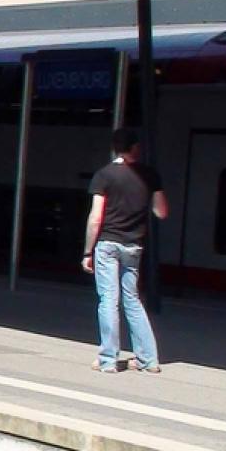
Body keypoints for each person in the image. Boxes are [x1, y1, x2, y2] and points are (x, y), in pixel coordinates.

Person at [83, 127, 167, 374]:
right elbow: (162, 211)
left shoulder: (104, 175)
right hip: (134, 245)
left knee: (108, 300)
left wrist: (88, 251)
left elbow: (96, 217)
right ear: (133, 147)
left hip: (108, 243)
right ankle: (148, 360)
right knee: (131, 300)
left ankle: (108, 359)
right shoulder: (150, 176)